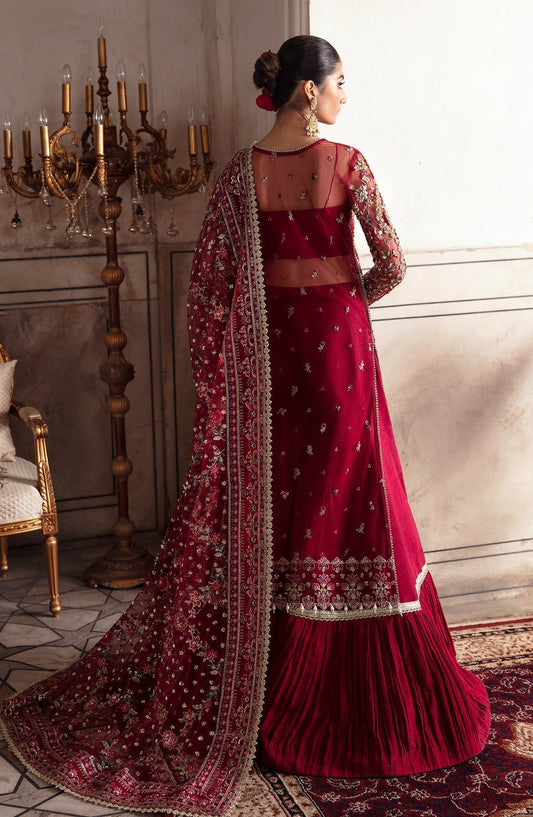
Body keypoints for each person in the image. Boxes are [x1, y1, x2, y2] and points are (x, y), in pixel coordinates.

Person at [0, 34, 489, 817]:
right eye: (339, 82)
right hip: (340, 357)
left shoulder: (238, 176)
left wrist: (223, 379)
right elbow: (392, 263)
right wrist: (345, 301)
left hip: (269, 367)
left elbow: (207, 293)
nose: (345, 95)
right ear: (308, 91)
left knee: (284, 509)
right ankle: (363, 680)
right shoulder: (348, 164)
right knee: (354, 504)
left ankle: (265, 678)